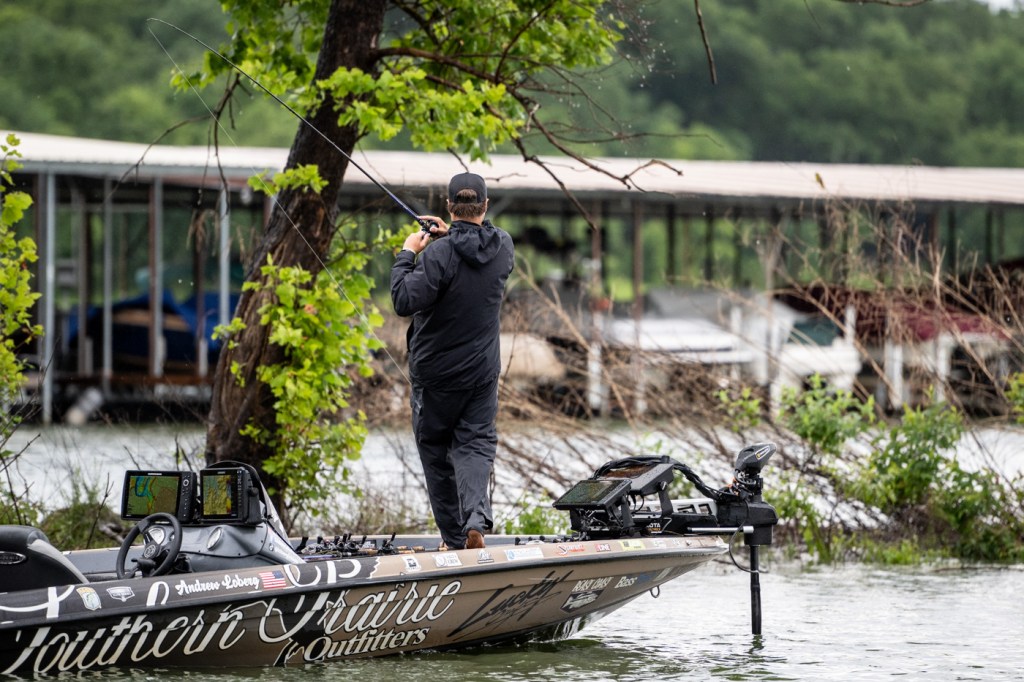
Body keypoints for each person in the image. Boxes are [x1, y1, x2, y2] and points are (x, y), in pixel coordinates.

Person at [390, 172, 515, 550]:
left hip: (436, 377)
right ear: (486, 205)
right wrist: (454, 235)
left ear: (448, 206)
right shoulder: (503, 247)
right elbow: (479, 245)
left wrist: (408, 253)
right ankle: (476, 520)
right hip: (481, 374)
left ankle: (456, 540)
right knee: (475, 445)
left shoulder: (438, 255)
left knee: (436, 453)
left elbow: (403, 301)